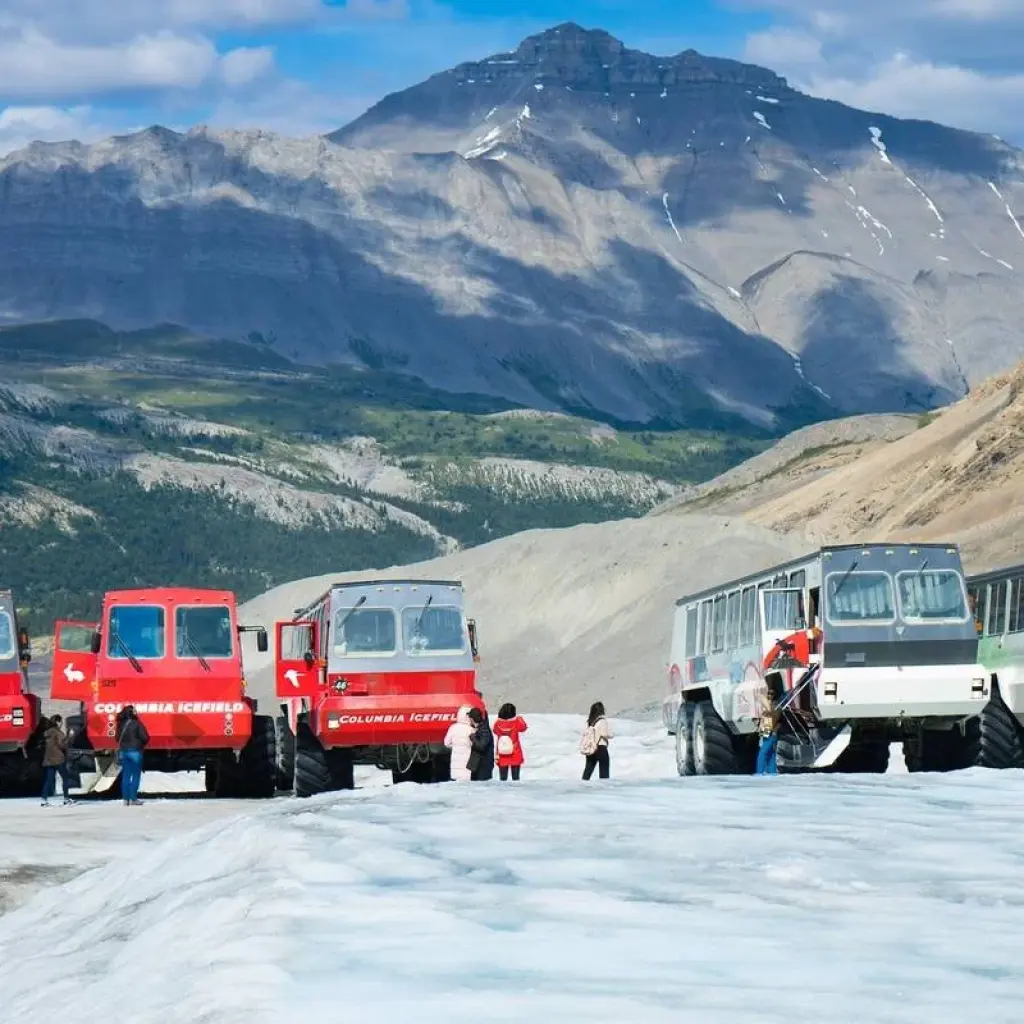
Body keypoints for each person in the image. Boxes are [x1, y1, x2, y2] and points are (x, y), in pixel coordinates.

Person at [117, 705, 150, 805]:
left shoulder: (121, 724)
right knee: (135, 776)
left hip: (124, 751)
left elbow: (117, 738)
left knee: (126, 775)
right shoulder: (137, 724)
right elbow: (145, 737)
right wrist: (140, 745)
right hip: (135, 751)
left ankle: (125, 799)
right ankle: (133, 799)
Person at [40, 715, 73, 806]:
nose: (61, 723)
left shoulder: (47, 732)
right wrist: (69, 736)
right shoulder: (58, 732)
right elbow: (63, 745)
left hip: (48, 759)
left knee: (49, 780)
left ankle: (44, 800)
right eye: (61, 721)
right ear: (58, 722)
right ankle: (66, 799)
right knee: (65, 778)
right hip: (58, 759)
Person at [493, 702, 528, 781]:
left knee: (503, 779)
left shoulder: (498, 723)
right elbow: (523, 728)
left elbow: (495, 731)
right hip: (515, 752)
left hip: (502, 752)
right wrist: (520, 718)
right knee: (515, 778)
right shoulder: (516, 722)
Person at [581, 701, 612, 780]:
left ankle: (582, 787)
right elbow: (605, 734)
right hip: (601, 747)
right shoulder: (602, 721)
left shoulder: (590, 722)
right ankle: (603, 790)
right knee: (604, 772)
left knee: (588, 771)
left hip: (591, 748)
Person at [443, 705, 475, 782]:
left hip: (455, 766)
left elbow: (446, 743)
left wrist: (454, 746)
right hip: (467, 764)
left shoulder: (453, 728)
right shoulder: (471, 730)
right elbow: (474, 744)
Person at [756, 682, 780, 776]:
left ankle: (760, 771)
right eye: (768, 693)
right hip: (765, 728)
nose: (770, 695)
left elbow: (778, 719)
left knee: (764, 752)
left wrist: (775, 731)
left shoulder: (777, 705)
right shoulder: (764, 704)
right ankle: (772, 772)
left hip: (772, 729)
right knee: (768, 751)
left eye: (772, 694)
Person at [467, 706, 494, 781]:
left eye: (470, 717)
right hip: (478, 765)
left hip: (483, 766)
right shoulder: (480, 728)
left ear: (473, 718)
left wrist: (473, 738)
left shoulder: (484, 730)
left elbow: (481, 746)